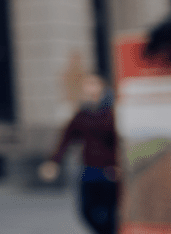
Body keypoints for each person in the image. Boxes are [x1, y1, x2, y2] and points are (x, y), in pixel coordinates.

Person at [39, 73, 118, 234]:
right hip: (88, 169)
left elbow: (118, 141)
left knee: (110, 213)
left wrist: (118, 165)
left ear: (102, 87)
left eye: (93, 83)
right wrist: (54, 162)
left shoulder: (112, 113)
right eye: (86, 85)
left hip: (109, 171)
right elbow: (66, 139)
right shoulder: (81, 115)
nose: (89, 88)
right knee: (86, 211)